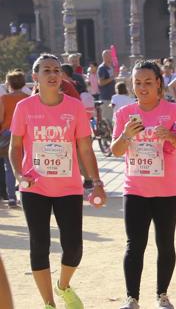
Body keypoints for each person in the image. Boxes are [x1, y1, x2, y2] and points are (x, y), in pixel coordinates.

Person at [10, 53, 106, 309]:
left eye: (55, 70)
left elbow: (85, 148)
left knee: (73, 247)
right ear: (35, 78)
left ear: (61, 76)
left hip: (68, 187)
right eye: (45, 70)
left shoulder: (74, 107)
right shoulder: (24, 107)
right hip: (35, 187)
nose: (52, 75)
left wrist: (95, 181)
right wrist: (20, 175)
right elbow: (15, 146)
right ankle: (49, 303)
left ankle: (63, 286)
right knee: (39, 244)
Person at [111, 60, 176, 309]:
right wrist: (126, 135)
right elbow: (116, 150)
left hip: (168, 190)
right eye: (138, 83)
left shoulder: (175, 112)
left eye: (148, 82)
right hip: (136, 189)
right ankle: (132, 298)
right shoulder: (124, 114)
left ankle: (162, 295)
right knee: (135, 245)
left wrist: (171, 137)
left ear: (159, 84)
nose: (142, 87)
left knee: (165, 243)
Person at [0, 69, 29, 207]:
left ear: (9, 84)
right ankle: (28, 194)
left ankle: (11, 198)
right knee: (27, 164)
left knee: (9, 166)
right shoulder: (27, 99)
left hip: (7, 133)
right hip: (25, 133)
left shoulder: (4, 99)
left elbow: (0, 118)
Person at [98, 50, 117, 124]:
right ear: (103, 57)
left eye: (109, 56)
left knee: (112, 117)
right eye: (106, 56)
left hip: (112, 97)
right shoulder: (102, 68)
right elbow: (101, 83)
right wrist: (112, 78)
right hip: (106, 97)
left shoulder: (111, 67)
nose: (109, 57)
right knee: (107, 118)